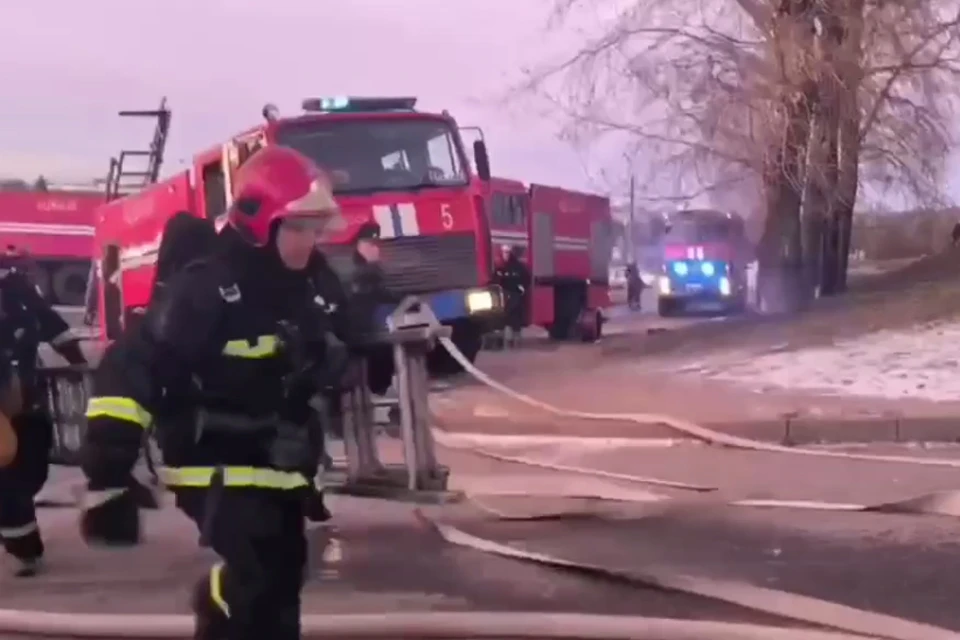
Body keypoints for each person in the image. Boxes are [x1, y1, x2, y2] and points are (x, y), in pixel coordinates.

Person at [79, 146, 348, 640]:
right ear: (261, 225)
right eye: (301, 228)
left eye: (316, 229)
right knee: (257, 578)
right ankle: (223, 609)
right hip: (214, 459)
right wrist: (108, 479)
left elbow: (347, 334)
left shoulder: (309, 283)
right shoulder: (206, 288)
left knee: (284, 581)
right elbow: (130, 365)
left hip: (281, 463)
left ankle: (224, 601)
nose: (311, 241)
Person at [0, 248, 86, 577]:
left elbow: (52, 326)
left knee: (33, 469)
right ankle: (24, 548)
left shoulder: (17, 290)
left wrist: (77, 361)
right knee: (9, 482)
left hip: (29, 403)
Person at [494, 245, 530, 348]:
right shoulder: (499, 268)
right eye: (504, 252)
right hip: (503, 297)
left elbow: (526, 279)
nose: (506, 255)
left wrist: (521, 288)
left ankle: (516, 340)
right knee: (504, 319)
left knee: (515, 319)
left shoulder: (519, 267)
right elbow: (495, 281)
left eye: (507, 252)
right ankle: (507, 341)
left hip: (516, 296)